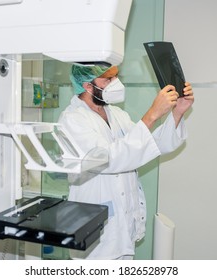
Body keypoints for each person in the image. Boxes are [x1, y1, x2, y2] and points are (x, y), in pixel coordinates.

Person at [58, 64, 194, 260]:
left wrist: (177, 112)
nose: (116, 83)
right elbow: (109, 159)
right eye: (108, 79)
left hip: (123, 225)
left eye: (116, 76)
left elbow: (147, 145)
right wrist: (152, 114)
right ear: (88, 86)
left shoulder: (117, 114)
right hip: (94, 233)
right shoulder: (72, 119)